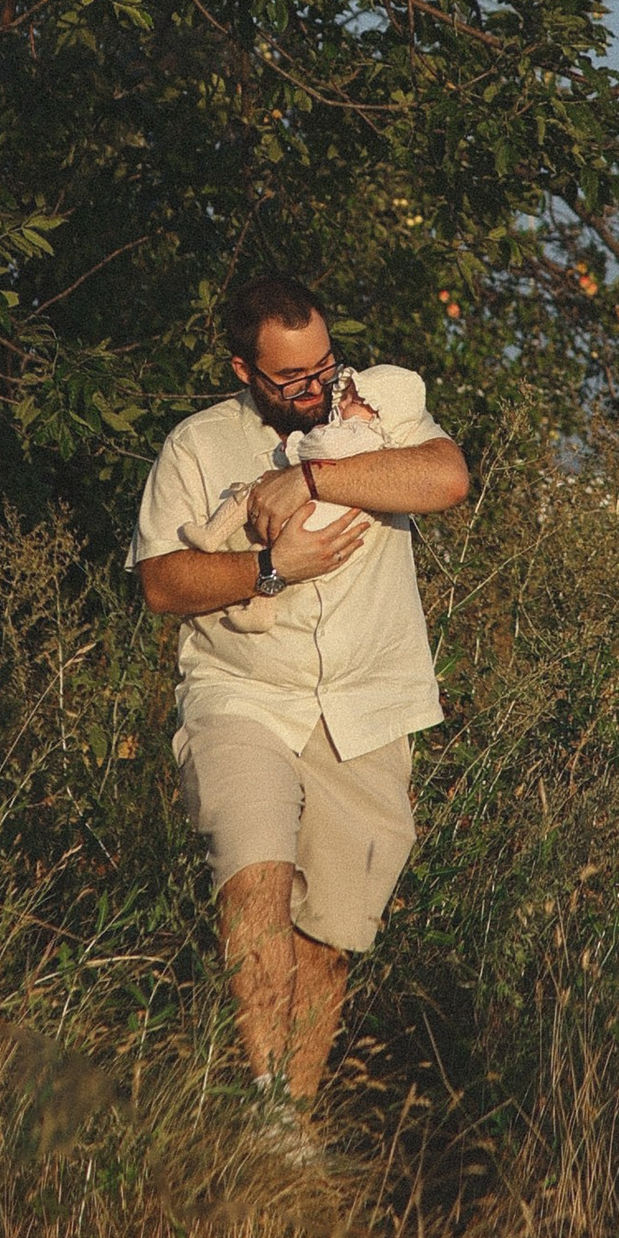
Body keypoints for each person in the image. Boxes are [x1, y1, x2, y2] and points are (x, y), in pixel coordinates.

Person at [131, 271, 470, 1136]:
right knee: (256, 888)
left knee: (328, 943)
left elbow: (446, 479)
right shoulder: (197, 445)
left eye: (324, 365)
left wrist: (317, 481)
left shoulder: (376, 414)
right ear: (245, 370)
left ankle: (285, 1136)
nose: (317, 388)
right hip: (242, 694)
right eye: (292, 378)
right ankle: (262, 1105)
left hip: (366, 705)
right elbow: (164, 585)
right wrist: (271, 571)